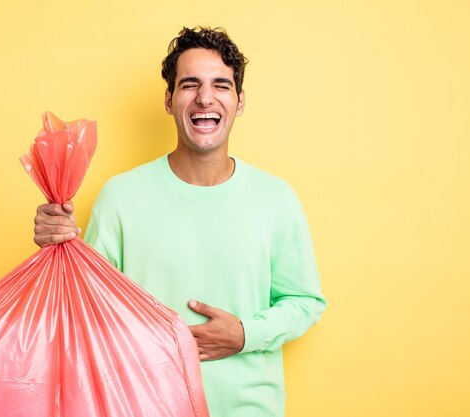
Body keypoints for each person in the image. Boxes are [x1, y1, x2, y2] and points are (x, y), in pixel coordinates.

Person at [33, 26, 326, 417]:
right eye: (190, 85)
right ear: (169, 100)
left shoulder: (276, 198)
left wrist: (244, 335)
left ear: (239, 102)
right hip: (142, 406)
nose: (205, 97)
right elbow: (85, 311)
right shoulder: (121, 197)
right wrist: (59, 247)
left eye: (221, 85)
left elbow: (305, 301)